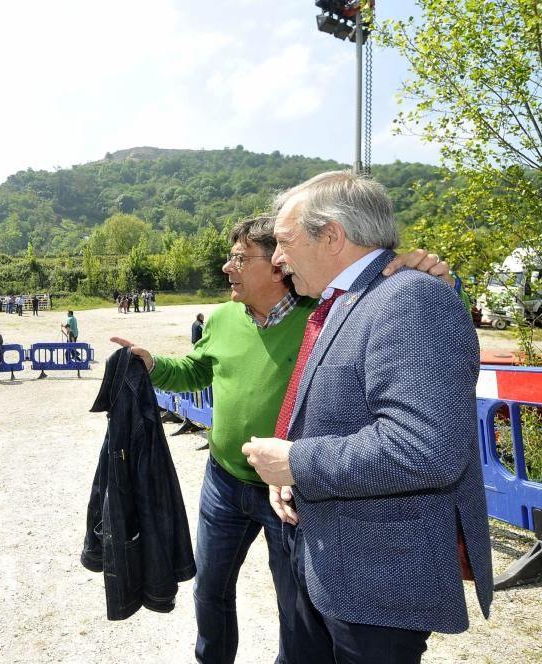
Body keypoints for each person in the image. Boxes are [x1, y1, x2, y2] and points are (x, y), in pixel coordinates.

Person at [112, 215, 458, 664]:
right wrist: (153, 362)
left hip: (291, 492)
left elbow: (393, 306)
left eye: (238, 257)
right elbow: (198, 369)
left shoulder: (325, 317)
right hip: (224, 480)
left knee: (297, 605)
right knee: (210, 589)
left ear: (275, 266)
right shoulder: (221, 318)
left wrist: (423, 270)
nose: (226, 267)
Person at [242, 171, 492, 664]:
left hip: (376, 581)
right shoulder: (345, 301)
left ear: (331, 235)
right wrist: (286, 473)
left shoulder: (410, 297)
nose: (276, 259)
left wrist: (298, 462)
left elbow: (424, 447)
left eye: (284, 243)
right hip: (330, 560)